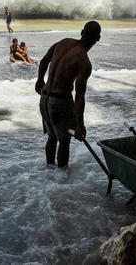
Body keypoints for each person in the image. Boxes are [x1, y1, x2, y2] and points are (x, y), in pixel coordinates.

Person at [35, 21, 101, 168]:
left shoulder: (63, 42)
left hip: (44, 98)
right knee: (64, 141)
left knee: (52, 137)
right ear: (98, 39)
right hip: (59, 103)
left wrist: (40, 80)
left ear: (82, 32)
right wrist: (80, 125)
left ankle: (49, 172)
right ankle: (61, 179)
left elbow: (44, 61)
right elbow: (79, 96)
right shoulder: (83, 61)